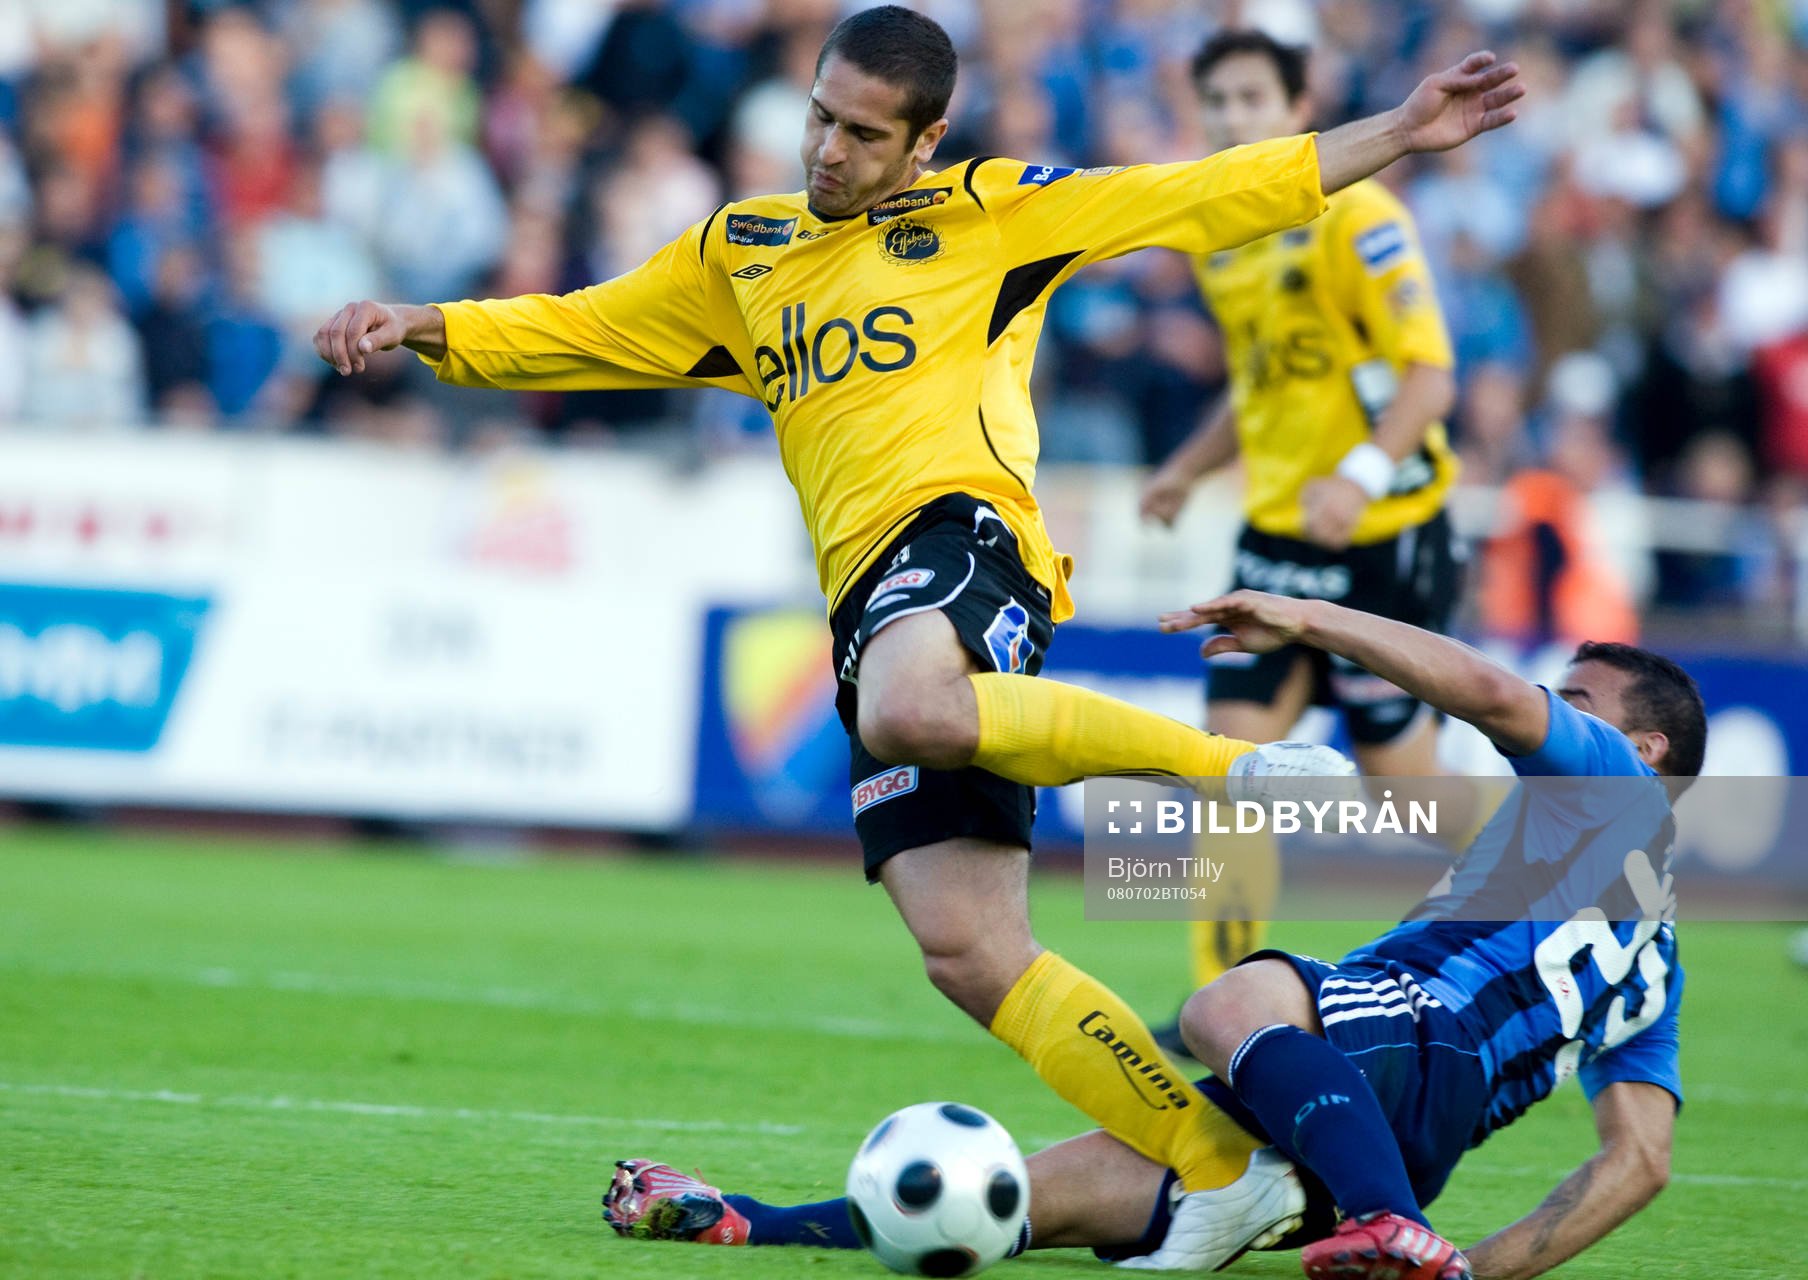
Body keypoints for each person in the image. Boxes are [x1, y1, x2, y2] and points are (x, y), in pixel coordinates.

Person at [314, 3, 1524, 1236]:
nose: (827, 151)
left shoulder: (990, 215)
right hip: (862, 604)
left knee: (911, 703)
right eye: (818, 118)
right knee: (967, 947)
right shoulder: (744, 250)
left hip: (963, 547)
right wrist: (427, 325)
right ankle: (1226, 1165)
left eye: (861, 133)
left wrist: (1399, 131)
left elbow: (1191, 192)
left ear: (925, 139)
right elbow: (589, 327)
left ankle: (1238, 769)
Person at [605, 591, 1699, 1280]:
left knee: (1226, 1002)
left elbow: (1487, 690)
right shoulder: (1657, 956)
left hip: (1408, 1043)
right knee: (1023, 1193)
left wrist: (1308, 617)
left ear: (1643, 747)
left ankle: (1388, 1223)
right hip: (1393, 1128)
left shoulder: (1606, 784)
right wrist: (1482, 1262)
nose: (1561, 715)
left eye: (1585, 702)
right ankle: (741, 1223)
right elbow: (1636, 1161)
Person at [1138, 31, 1473, 1000]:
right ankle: (1223, 998)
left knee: (1404, 793)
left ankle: (1559, 880)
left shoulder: (1357, 214)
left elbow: (1430, 374)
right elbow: (1259, 389)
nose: (1231, 118)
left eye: (1251, 98)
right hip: (1275, 539)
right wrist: (1186, 469)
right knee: (1225, 769)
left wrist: (1361, 475)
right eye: (1217, 100)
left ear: (1297, 112)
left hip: (1383, 537)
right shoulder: (1225, 239)